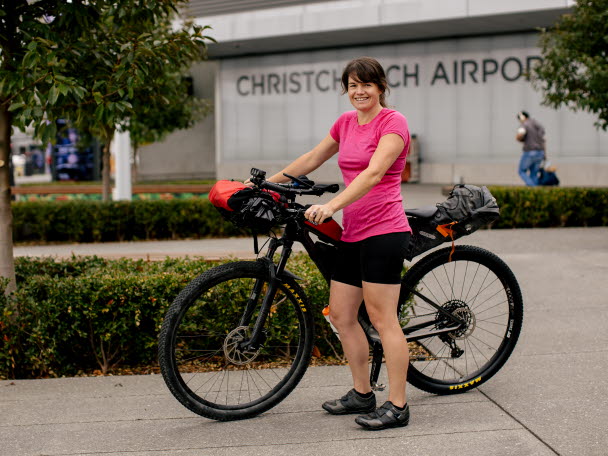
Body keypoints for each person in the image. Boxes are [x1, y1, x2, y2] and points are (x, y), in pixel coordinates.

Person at [246, 56, 412, 430]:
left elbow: (373, 174)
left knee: (384, 319)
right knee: (340, 314)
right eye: (352, 85)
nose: (359, 91)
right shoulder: (345, 123)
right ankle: (362, 393)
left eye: (366, 84)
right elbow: (311, 158)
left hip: (385, 230)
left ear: (380, 87)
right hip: (353, 231)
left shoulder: (393, 123)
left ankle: (398, 405)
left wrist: (332, 205)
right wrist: (262, 187)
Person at [515, 111, 546, 186]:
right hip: (540, 152)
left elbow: (520, 134)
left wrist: (518, 138)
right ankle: (535, 193)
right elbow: (543, 139)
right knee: (534, 174)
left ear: (522, 117)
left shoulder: (525, 124)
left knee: (521, 171)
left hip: (530, 152)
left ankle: (532, 188)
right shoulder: (537, 124)